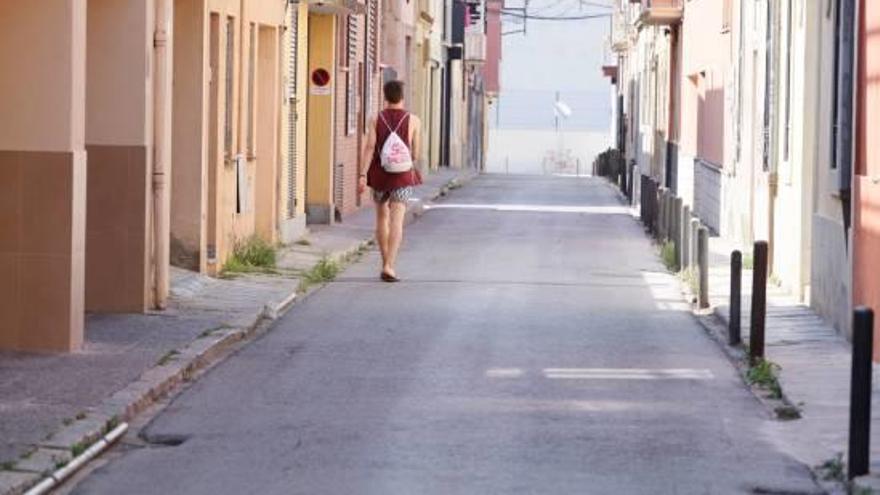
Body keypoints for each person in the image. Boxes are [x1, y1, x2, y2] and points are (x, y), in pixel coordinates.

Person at [358, 80, 423, 282]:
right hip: (402, 176)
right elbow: (416, 153)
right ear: (402, 96)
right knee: (397, 221)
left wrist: (362, 174)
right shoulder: (414, 120)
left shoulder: (375, 119)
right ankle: (390, 265)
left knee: (381, 219)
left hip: (379, 176)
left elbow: (369, 147)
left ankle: (384, 261)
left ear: (385, 97)